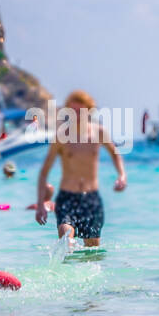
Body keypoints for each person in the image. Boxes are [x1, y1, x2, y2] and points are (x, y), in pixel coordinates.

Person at [35, 90, 127, 247]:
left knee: (92, 251)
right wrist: (40, 205)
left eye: (80, 111)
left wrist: (122, 176)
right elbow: (44, 171)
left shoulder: (99, 132)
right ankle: (62, 270)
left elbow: (115, 154)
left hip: (91, 199)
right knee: (66, 239)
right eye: (72, 111)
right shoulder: (61, 136)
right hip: (67, 198)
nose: (76, 116)